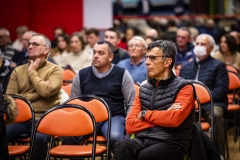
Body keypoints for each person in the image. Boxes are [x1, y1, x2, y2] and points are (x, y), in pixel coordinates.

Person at [112, 40, 196, 160]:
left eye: (152, 58)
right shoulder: (144, 88)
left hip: (171, 142)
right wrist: (164, 116)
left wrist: (144, 114)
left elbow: (174, 120)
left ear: (167, 61)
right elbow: (130, 126)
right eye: (147, 58)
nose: (146, 62)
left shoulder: (185, 87)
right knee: (122, 145)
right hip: (142, 139)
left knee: (144, 156)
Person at [62, 41, 136, 152]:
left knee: (115, 137)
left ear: (111, 57)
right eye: (94, 52)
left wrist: (128, 123)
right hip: (88, 117)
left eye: (101, 53)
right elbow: (73, 103)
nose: (96, 56)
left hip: (114, 117)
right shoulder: (82, 74)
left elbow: (132, 102)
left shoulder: (122, 74)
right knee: (68, 137)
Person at [6, 33, 63, 160]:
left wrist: (32, 72)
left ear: (46, 49)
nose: (30, 46)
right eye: (29, 44)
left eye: (35, 44)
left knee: (39, 138)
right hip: (22, 118)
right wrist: (39, 94)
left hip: (45, 118)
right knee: (2, 133)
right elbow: (11, 99)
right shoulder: (18, 70)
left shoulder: (55, 70)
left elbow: (47, 92)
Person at [180, 34, 229, 158]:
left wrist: (202, 98)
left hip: (211, 103)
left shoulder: (218, 66)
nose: (199, 47)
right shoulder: (186, 67)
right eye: (197, 44)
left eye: (203, 44)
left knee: (216, 116)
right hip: (189, 105)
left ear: (211, 48)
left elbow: (222, 90)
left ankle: (218, 155)